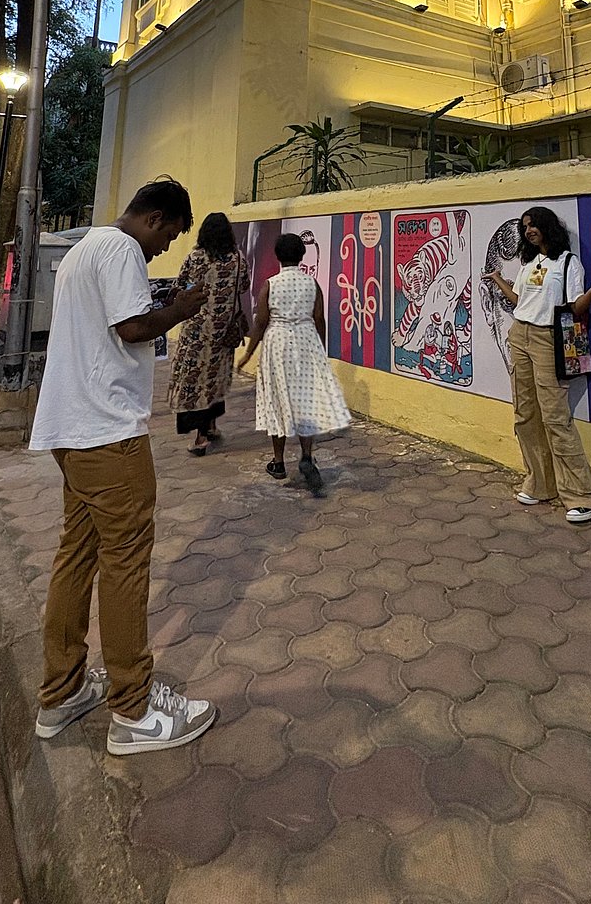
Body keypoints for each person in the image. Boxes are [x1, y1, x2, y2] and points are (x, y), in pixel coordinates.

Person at [29, 177, 216, 756]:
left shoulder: (87, 247)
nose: (165, 250)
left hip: (74, 429)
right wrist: (180, 307)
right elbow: (132, 328)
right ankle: (133, 708)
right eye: (170, 237)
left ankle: (61, 693)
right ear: (156, 218)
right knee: (126, 562)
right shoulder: (122, 249)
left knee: (77, 555)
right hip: (108, 433)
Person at [485, 206, 591, 525]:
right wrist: (498, 280)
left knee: (556, 418)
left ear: (547, 226)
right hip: (520, 334)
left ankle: (585, 497)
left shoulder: (568, 262)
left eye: (533, 225)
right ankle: (541, 484)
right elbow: (519, 301)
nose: (529, 230)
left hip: (548, 339)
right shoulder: (529, 261)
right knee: (525, 413)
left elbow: (574, 307)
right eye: (525, 226)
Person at [237, 231, 350, 495]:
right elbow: (319, 318)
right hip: (306, 340)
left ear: (278, 256)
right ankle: (307, 456)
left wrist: (248, 353)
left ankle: (278, 462)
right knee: (305, 400)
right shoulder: (312, 284)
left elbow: (262, 322)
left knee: (277, 399)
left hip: (278, 344)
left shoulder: (270, 284)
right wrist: (319, 348)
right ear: (302, 256)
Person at [167, 212, 250, 453]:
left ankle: (200, 438)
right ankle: (211, 426)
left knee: (195, 380)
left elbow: (179, 285)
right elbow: (244, 285)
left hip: (195, 331)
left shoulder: (194, 257)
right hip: (224, 333)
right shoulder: (237, 259)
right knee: (215, 380)